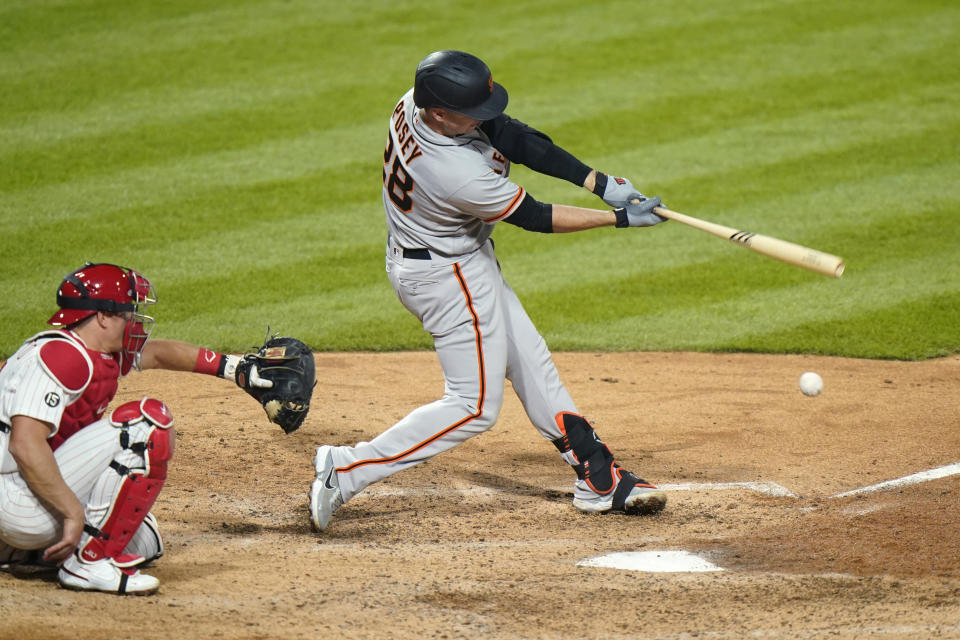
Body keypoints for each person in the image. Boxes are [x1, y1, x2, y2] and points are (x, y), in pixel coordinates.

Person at [309, 50, 668, 532]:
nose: (485, 117)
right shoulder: (453, 172)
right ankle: (347, 468)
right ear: (439, 113)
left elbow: (511, 134)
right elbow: (536, 217)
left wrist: (597, 181)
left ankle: (598, 474)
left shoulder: (418, 103)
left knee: (528, 358)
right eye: (473, 112)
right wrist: (618, 218)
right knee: (473, 406)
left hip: (450, 258)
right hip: (445, 277)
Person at [0, 262, 275, 594]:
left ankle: (23, 551)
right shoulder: (61, 357)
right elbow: (25, 445)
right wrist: (73, 512)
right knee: (146, 425)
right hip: (15, 499)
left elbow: (157, 353)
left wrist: (233, 368)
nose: (134, 320)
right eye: (128, 312)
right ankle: (85, 565)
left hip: (26, 494)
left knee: (145, 540)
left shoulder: (96, 351)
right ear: (102, 317)